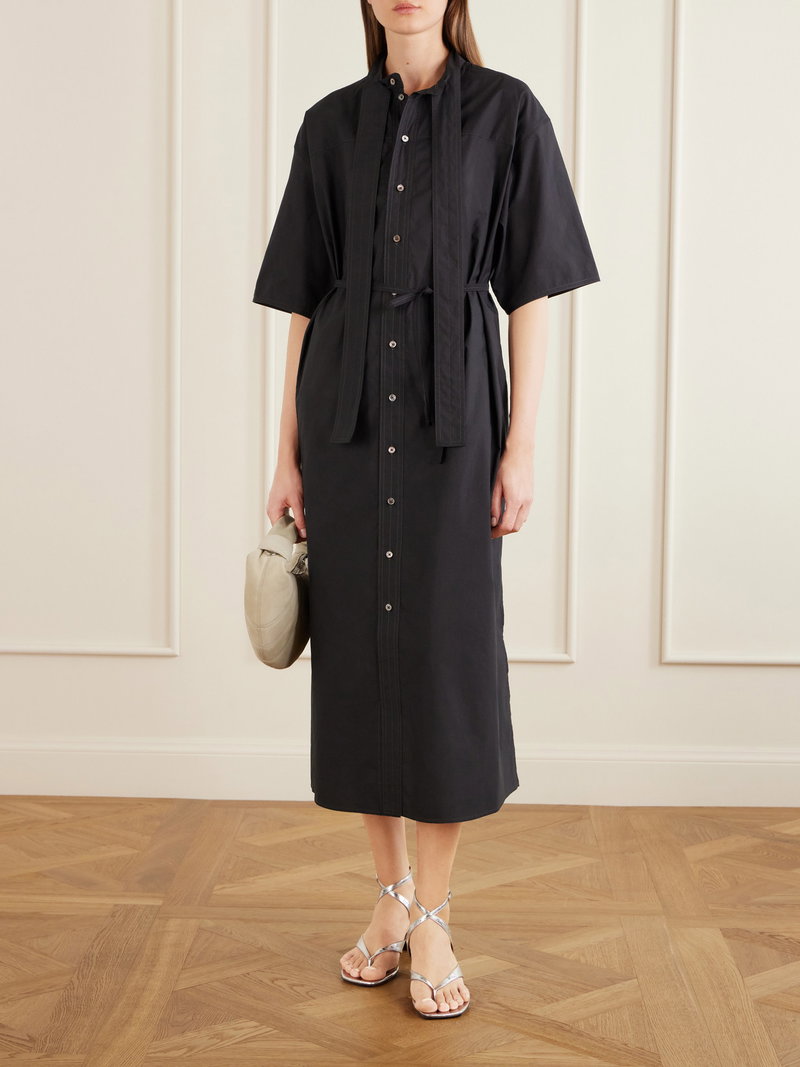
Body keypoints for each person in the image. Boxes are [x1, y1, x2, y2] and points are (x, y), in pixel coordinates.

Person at [252, 0, 600, 1019]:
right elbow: (304, 301)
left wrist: (520, 446)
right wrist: (284, 454)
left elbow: (533, 291)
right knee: (359, 658)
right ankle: (390, 898)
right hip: (346, 426)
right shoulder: (328, 124)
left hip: (458, 429)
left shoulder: (508, 112)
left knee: (448, 661)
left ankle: (436, 912)